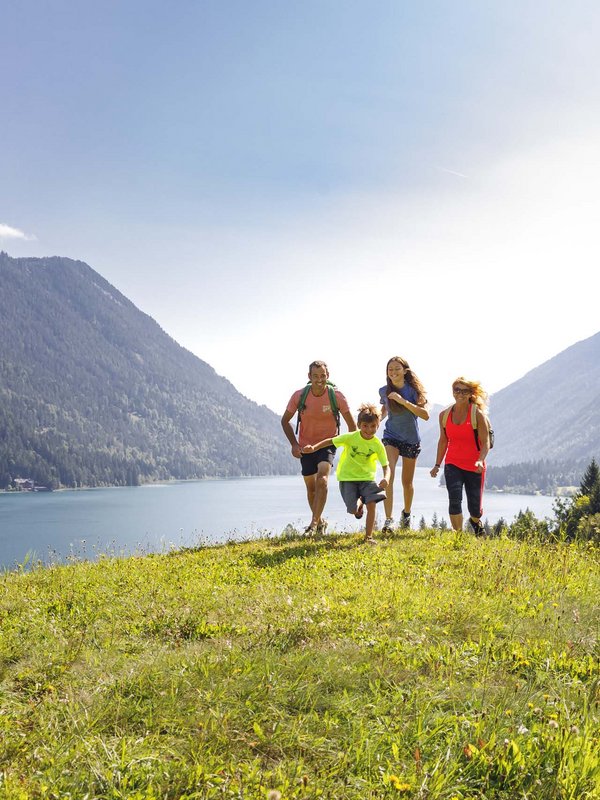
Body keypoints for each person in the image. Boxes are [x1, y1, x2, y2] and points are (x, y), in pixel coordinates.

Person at [281, 361, 356, 533]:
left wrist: (352, 450)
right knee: (311, 489)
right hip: (306, 446)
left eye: (322, 376)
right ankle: (320, 521)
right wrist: (294, 444)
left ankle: (313, 524)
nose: (319, 380)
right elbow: (285, 421)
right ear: (309, 377)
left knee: (322, 480)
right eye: (315, 376)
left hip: (327, 444)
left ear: (327, 376)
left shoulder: (337, 396)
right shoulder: (299, 396)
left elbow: (352, 428)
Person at [301, 403, 390, 544]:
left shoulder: (377, 444)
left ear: (378, 426)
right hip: (347, 478)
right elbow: (331, 441)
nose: (369, 430)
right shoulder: (351, 437)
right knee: (353, 509)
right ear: (359, 424)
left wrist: (386, 478)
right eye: (365, 426)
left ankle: (369, 537)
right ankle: (360, 504)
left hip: (367, 479)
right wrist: (314, 448)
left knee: (372, 504)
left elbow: (386, 465)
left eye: (373, 426)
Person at [430, 377, 491, 535]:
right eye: (457, 390)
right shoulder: (444, 415)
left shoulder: (477, 415)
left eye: (464, 391)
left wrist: (480, 460)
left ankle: (476, 521)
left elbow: (486, 443)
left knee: (475, 508)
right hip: (453, 464)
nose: (460, 394)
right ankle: (458, 535)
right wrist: (437, 465)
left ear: (471, 393)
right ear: (452, 392)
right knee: (454, 500)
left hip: (474, 466)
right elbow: (443, 441)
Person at [379, 356, 429, 532]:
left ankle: (406, 514)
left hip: (410, 439)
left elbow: (425, 415)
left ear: (405, 371)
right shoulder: (384, 391)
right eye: (390, 369)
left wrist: (403, 401)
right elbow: (385, 409)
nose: (393, 372)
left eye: (397, 369)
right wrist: (375, 419)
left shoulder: (414, 391)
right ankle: (388, 520)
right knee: (389, 475)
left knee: (407, 483)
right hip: (391, 435)